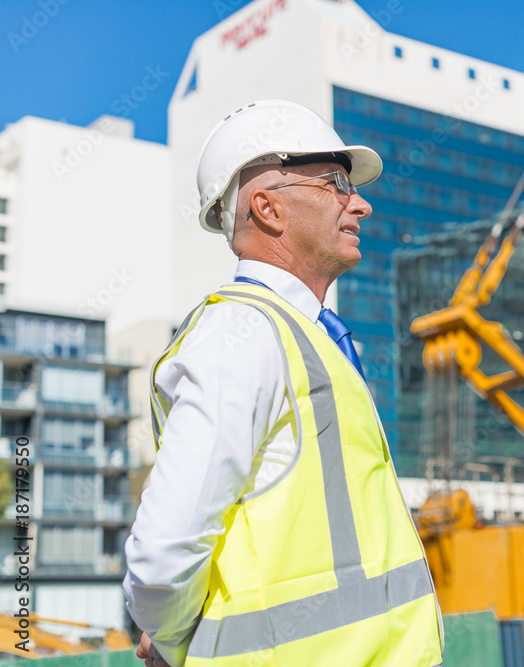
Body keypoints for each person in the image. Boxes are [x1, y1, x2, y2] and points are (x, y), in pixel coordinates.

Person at [123, 100, 444, 667]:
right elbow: (163, 552)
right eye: (336, 184)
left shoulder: (303, 337)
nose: (361, 204)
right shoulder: (241, 334)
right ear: (267, 208)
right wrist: (174, 641)